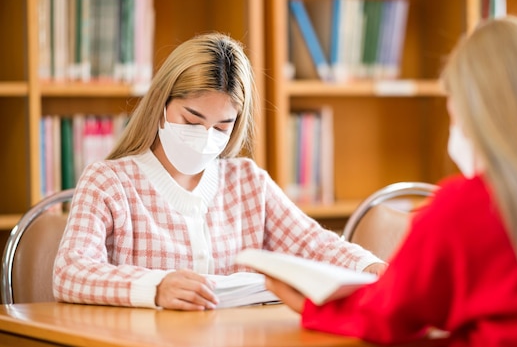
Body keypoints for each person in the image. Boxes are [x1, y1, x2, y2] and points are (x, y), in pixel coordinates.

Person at [266, 16, 517, 347]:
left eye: (455, 113)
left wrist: (315, 306)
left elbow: (386, 314)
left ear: (479, 115)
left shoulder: (472, 205)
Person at [53, 32, 385, 311]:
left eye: (222, 126)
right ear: (160, 106)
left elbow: (312, 243)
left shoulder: (247, 181)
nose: (205, 137)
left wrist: (370, 268)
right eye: (192, 121)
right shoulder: (109, 182)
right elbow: (70, 271)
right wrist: (155, 288)